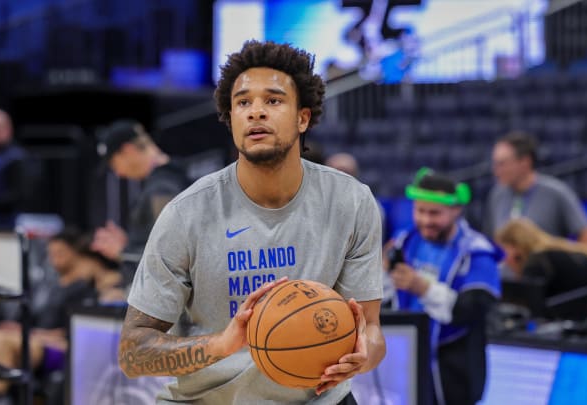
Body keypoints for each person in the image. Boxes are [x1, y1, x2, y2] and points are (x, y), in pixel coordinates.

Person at [117, 40, 386, 404]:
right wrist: (223, 344)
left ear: (302, 117)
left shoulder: (350, 201)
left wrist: (361, 355)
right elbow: (132, 353)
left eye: (273, 100)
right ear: (230, 120)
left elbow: (370, 329)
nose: (255, 112)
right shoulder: (187, 214)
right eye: (243, 102)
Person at [386, 168, 501, 405]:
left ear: (456, 210)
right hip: (408, 358)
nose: (426, 221)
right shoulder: (407, 240)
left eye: (435, 213)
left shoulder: (477, 253)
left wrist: (423, 288)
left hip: (454, 368)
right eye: (420, 211)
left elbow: (472, 309)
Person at [0, 228, 98, 395]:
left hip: (55, 346)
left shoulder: (82, 289)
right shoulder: (50, 286)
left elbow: (71, 332)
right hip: (32, 337)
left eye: (60, 253)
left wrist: (31, 333)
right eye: (51, 253)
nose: (54, 259)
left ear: (75, 253)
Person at [92, 120, 190, 269]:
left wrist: (123, 252)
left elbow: (172, 254)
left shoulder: (162, 188)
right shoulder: (165, 182)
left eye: (114, 164)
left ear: (128, 150)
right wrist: (130, 242)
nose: (118, 173)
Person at [485, 131, 587, 246]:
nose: (496, 170)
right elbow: (492, 240)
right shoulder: (496, 195)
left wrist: (570, 262)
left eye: (502, 164)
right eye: (495, 163)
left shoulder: (556, 192)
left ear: (525, 162)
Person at [495, 218, 587, 299]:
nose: (503, 259)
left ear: (515, 247)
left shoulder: (537, 262)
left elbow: (531, 305)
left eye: (503, 250)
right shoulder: (554, 251)